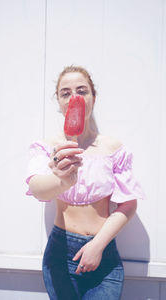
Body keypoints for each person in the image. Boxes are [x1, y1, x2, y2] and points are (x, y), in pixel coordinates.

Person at [25, 65, 145, 300]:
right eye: (65, 93)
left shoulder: (112, 148)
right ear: (58, 102)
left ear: (93, 98)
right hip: (60, 253)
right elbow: (36, 187)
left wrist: (97, 245)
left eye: (82, 91)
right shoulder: (49, 148)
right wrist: (61, 180)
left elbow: (128, 205)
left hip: (104, 250)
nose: (74, 98)